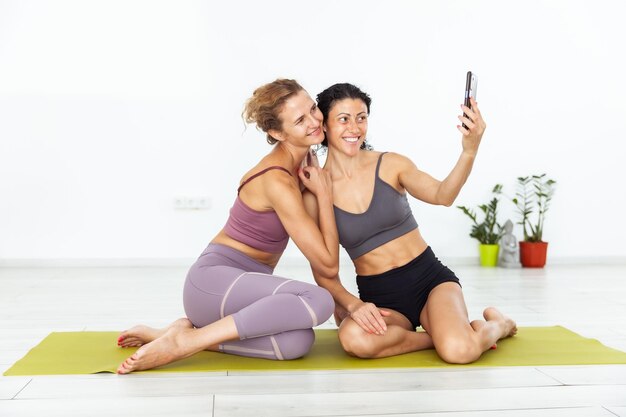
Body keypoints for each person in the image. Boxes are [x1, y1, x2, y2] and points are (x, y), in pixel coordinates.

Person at [116, 79, 338, 374]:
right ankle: (185, 343)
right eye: (300, 120)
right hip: (213, 284)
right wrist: (324, 193)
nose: (314, 121)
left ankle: (176, 334)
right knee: (319, 300)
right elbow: (327, 263)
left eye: (312, 109)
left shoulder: (306, 159)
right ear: (276, 132)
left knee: (296, 343)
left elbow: (323, 258)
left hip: (239, 296)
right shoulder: (277, 180)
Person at [304, 82, 517, 364]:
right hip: (381, 296)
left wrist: (469, 150)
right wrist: (346, 305)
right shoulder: (315, 191)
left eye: (361, 117)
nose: (354, 128)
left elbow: (443, 195)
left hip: (429, 280)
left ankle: (498, 325)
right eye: (343, 119)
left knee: (459, 352)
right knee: (352, 339)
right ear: (325, 126)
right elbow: (323, 268)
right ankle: (440, 337)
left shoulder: (391, 164)